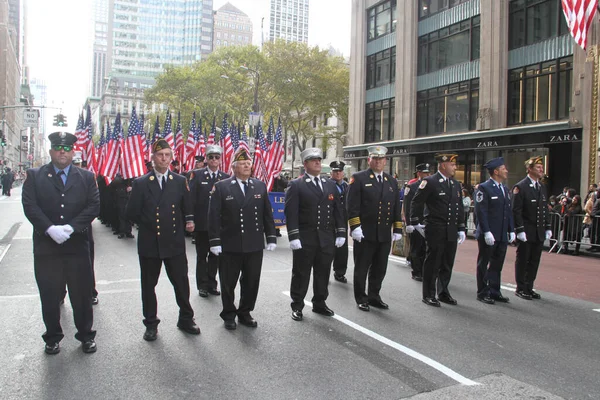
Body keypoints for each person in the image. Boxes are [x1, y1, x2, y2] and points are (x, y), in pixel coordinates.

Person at [22, 131, 99, 354]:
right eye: (58, 148)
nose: (62, 152)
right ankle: (52, 337)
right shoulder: (35, 175)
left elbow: (93, 206)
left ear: (73, 151)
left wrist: (71, 227)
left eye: (66, 149)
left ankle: (86, 335)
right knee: (49, 294)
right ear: (50, 151)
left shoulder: (86, 177)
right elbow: (30, 206)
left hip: (76, 247)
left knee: (81, 294)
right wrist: (49, 228)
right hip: (47, 248)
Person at [126, 139, 200, 341]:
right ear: (152, 158)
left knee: (181, 283)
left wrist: (189, 221)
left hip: (174, 241)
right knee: (149, 286)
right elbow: (131, 212)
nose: (164, 158)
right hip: (150, 243)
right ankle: (151, 323)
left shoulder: (179, 180)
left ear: (171, 157)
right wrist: (149, 222)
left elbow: (187, 205)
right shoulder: (141, 183)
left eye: (167, 155)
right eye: (160, 155)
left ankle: (186, 318)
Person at [207, 148, 277, 330]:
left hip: (253, 244)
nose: (247, 166)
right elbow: (213, 216)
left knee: (251, 281)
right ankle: (229, 313)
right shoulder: (222, 187)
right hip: (230, 244)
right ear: (234, 167)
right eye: (243, 163)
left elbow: (266, 213)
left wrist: (270, 236)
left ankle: (245, 312)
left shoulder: (259, 186)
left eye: (249, 163)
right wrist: (214, 241)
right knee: (228, 282)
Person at [285, 148, 346, 321]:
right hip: (305, 237)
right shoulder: (296, 185)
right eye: (313, 160)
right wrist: (294, 236)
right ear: (305, 164)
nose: (318, 162)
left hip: (326, 237)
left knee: (323, 272)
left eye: (319, 159)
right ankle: (297, 305)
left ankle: (320, 302)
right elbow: (291, 213)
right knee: (301, 273)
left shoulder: (329, 184)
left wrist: (341, 232)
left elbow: (337, 210)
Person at [346, 146, 402, 312]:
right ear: (369, 160)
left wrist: (397, 228)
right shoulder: (358, 178)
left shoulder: (391, 181)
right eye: (375, 158)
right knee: (362, 267)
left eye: (381, 159)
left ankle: (374, 296)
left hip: (384, 233)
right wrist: (355, 227)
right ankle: (361, 298)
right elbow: (352, 206)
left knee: (380, 267)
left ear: (385, 161)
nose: (378, 161)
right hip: (365, 233)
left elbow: (396, 207)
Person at [410, 153, 466, 307]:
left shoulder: (455, 184)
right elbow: (417, 202)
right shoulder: (430, 182)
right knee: (433, 262)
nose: (455, 167)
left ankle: (443, 292)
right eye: (452, 164)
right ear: (443, 165)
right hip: (436, 227)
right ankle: (428, 294)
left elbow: (459, 207)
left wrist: (461, 227)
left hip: (451, 229)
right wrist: (415, 222)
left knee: (447, 262)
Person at [189, 145, 229, 297]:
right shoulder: (197, 175)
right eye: (211, 157)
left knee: (216, 256)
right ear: (206, 159)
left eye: (217, 157)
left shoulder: (225, 177)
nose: (214, 160)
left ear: (220, 160)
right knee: (202, 255)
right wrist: (190, 219)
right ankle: (202, 285)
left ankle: (212, 283)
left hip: (219, 225)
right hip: (202, 223)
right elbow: (191, 199)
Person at [474, 157, 515, 305]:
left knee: (497, 264)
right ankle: (482, 292)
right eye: (504, 168)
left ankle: (494, 291)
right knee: (484, 263)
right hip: (489, 234)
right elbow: (481, 211)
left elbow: (507, 211)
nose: (506, 171)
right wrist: (486, 231)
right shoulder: (483, 188)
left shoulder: (504, 189)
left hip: (501, 233)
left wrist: (511, 230)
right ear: (496, 171)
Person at [511, 156, 552, 300]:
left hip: (539, 230)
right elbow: (516, 210)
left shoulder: (541, 186)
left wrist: (547, 226)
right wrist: (519, 230)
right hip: (527, 230)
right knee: (523, 259)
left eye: (542, 167)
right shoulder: (520, 187)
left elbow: (544, 208)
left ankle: (529, 286)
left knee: (535, 260)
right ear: (529, 169)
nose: (541, 170)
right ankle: (521, 287)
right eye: (538, 167)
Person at [403, 163, 431, 282]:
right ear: (418, 173)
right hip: (416, 222)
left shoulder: (431, 185)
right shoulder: (412, 187)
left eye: (428, 173)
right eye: (424, 173)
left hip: (427, 221)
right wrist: (409, 223)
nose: (427, 175)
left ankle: (425, 271)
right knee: (416, 247)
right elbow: (407, 205)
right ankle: (416, 271)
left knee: (426, 248)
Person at [329, 160, 349, 283]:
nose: (338, 174)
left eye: (340, 171)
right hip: (329, 220)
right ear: (331, 172)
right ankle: (324, 272)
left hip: (343, 220)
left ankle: (340, 272)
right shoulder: (326, 184)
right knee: (328, 249)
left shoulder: (348, 186)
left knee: (342, 249)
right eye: (335, 171)